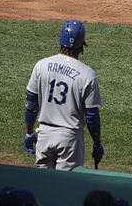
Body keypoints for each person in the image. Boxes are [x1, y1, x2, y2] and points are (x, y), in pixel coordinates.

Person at [24, 20, 104, 172]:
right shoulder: (87, 74)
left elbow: (31, 103)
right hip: (70, 139)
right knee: (65, 188)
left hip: (45, 135)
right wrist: (97, 143)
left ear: (60, 41)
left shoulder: (41, 65)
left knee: (43, 185)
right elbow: (92, 115)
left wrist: (28, 132)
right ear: (82, 47)